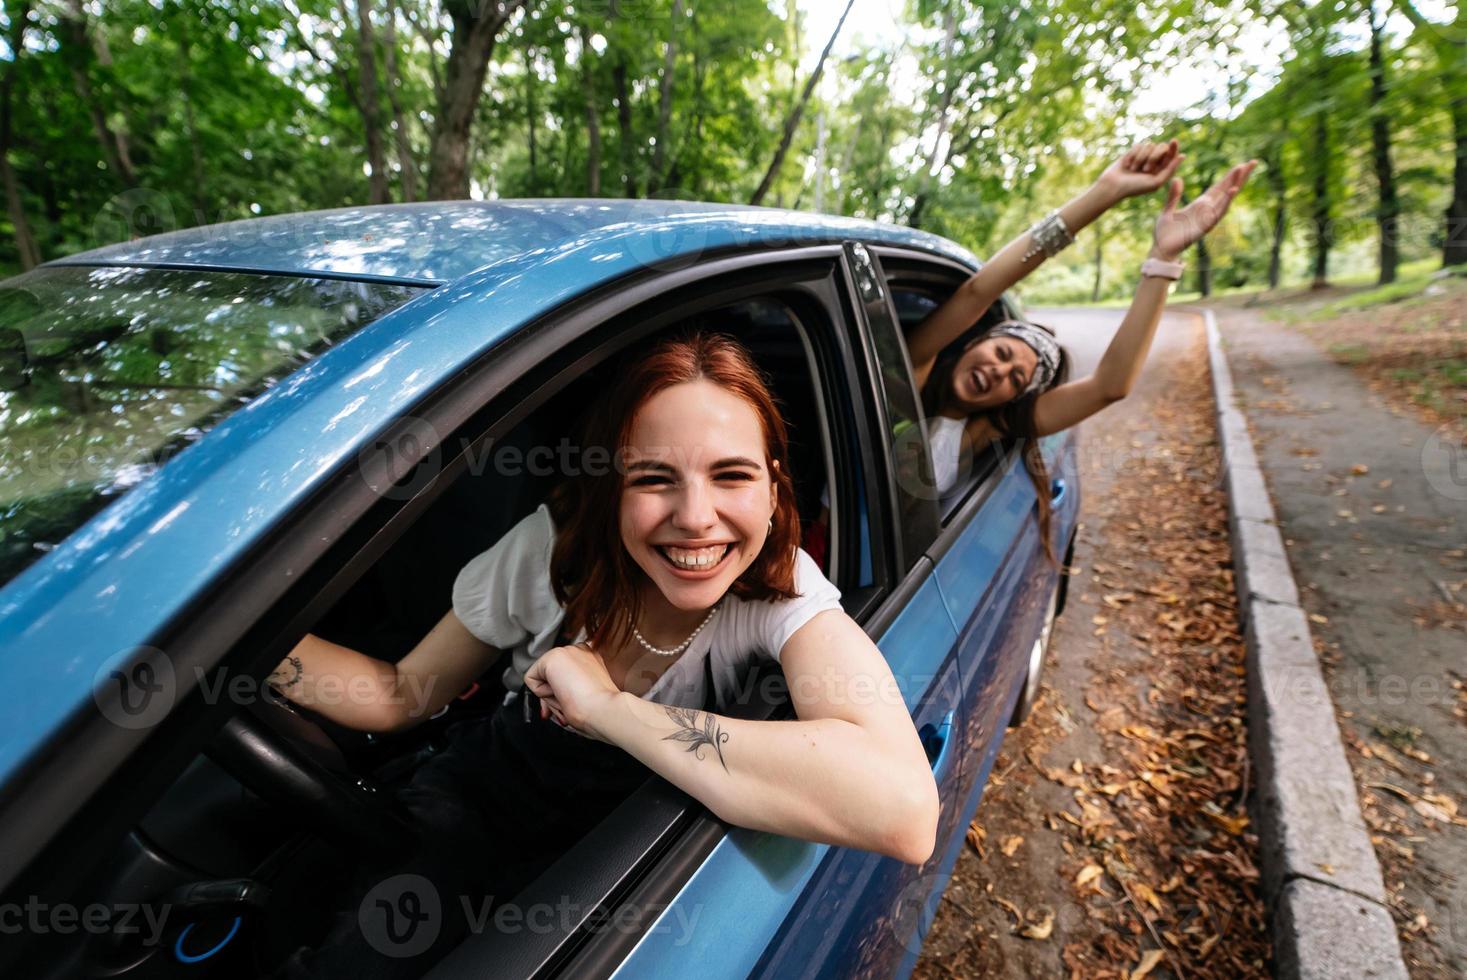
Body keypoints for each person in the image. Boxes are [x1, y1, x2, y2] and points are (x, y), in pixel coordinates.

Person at [266, 331, 938, 978]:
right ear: (610, 485)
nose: (696, 516)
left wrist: (608, 709)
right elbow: (402, 694)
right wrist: (237, 649)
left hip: (611, 867)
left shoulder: (779, 590)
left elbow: (901, 810)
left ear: (772, 485)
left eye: (730, 475)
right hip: (473, 804)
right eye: (654, 479)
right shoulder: (550, 553)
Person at [909, 139, 1256, 555]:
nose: (1001, 372)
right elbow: (981, 289)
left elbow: (1110, 385)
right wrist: (1105, 192)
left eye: (1016, 378)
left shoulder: (987, 430)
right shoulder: (914, 364)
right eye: (1002, 354)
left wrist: (1162, 261)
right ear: (974, 343)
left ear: (1013, 398)